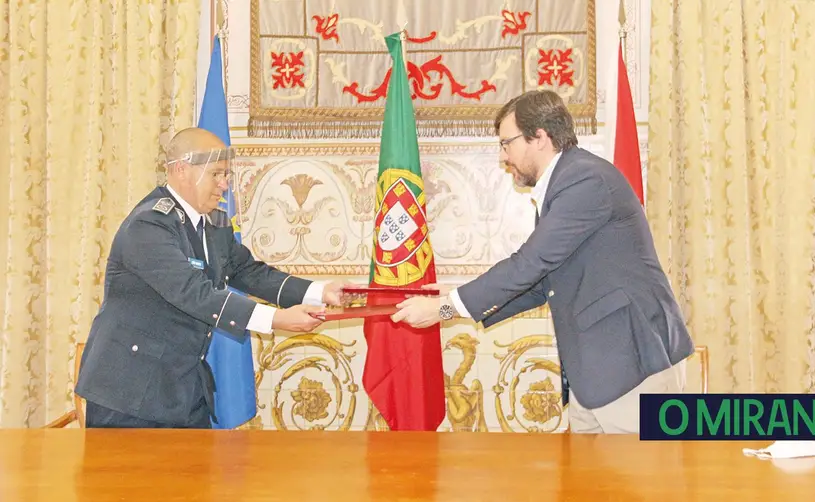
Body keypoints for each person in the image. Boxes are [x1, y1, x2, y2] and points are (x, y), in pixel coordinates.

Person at [391, 90, 694, 434]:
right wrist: (454, 294)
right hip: (596, 374)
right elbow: (542, 282)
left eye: (507, 143)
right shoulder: (565, 182)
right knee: (589, 486)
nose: (503, 156)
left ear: (540, 137)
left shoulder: (585, 179)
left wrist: (447, 308)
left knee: (643, 485)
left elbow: (530, 263)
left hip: (633, 366)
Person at [75, 127, 347, 428]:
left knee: (194, 475)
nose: (225, 185)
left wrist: (321, 292)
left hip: (183, 389)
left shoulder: (214, 224)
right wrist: (277, 320)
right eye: (217, 174)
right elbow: (194, 293)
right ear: (181, 170)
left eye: (227, 175)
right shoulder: (148, 225)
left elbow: (248, 272)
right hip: (130, 393)